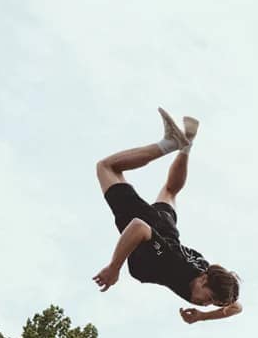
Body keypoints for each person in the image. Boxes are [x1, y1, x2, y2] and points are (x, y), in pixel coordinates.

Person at [91, 109, 243, 324]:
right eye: (208, 299)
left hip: (167, 228)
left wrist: (203, 316)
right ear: (203, 279)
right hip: (149, 226)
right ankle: (170, 143)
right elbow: (138, 227)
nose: (204, 303)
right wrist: (114, 268)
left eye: (211, 303)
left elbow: (236, 307)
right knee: (107, 167)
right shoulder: (171, 262)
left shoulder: (212, 280)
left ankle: (187, 144)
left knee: (170, 191)